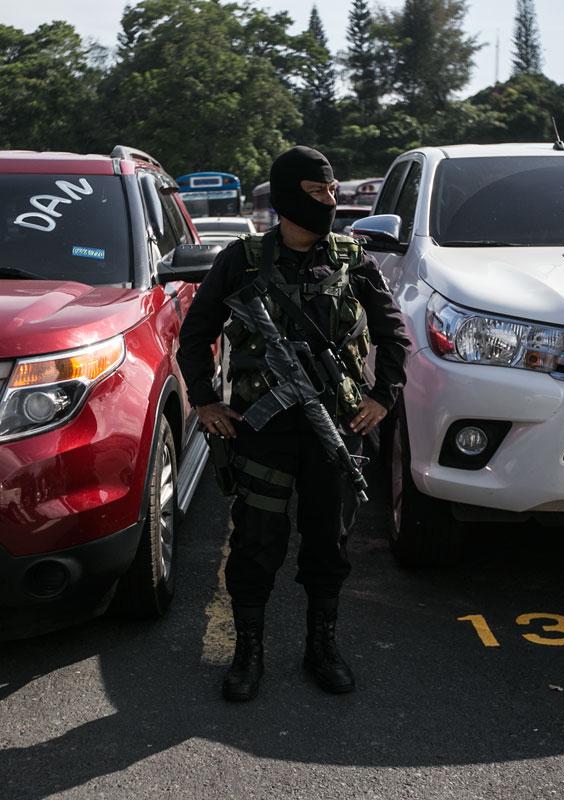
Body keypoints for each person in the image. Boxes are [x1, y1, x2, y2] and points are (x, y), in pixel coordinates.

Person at [178, 146, 411, 702]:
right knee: (257, 542)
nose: (330, 201)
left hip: (337, 426)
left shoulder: (353, 258)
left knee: (328, 541)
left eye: (332, 191)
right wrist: (206, 403)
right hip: (263, 429)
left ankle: (321, 646)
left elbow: (393, 335)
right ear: (285, 199)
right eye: (317, 192)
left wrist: (382, 397)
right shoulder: (242, 259)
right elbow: (196, 332)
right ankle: (248, 651)